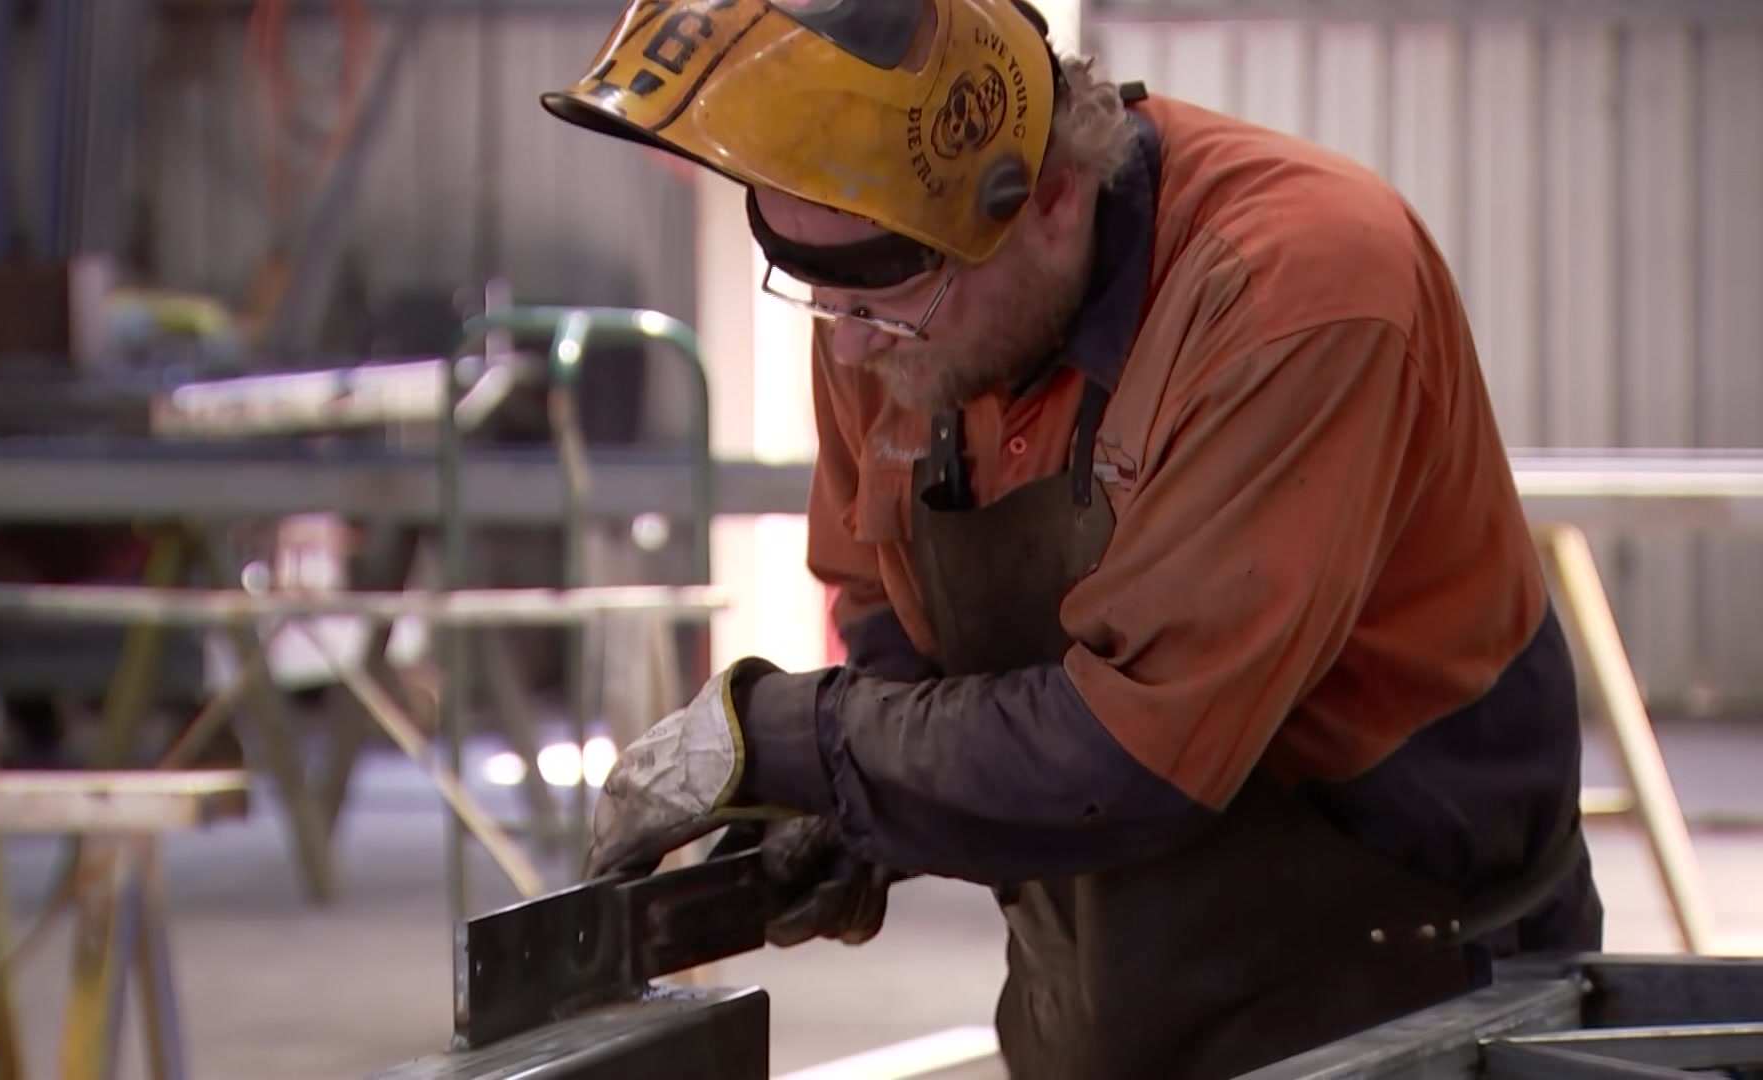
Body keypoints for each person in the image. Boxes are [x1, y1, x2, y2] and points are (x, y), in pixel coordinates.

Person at [538, 1, 1605, 1076]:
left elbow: (1130, 762)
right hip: (1103, 1015)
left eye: (892, 301)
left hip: (1410, 1007)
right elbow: (889, 622)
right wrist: (859, 811)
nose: (851, 348)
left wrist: (795, 737)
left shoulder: (1296, 288)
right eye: (819, 292)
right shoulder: (875, 292)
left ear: (1051, 202)